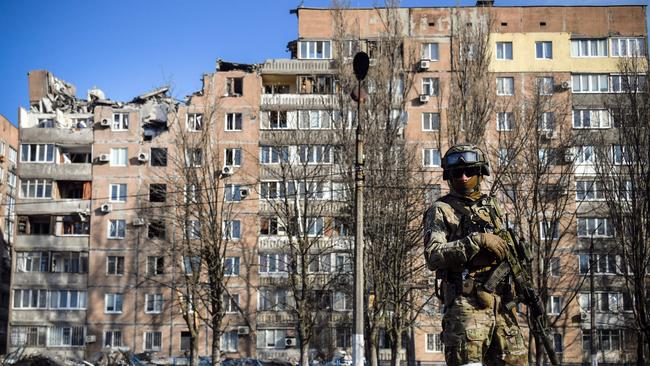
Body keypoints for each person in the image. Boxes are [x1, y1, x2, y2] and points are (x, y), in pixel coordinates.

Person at [423, 144, 527, 366]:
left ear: (480, 173)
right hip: (466, 308)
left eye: (469, 171)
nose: (463, 176)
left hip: (502, 305)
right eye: (456, 173)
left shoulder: (492, 208)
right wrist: (476, 241)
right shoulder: (442, 210)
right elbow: (433, 255)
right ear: (448, 176)